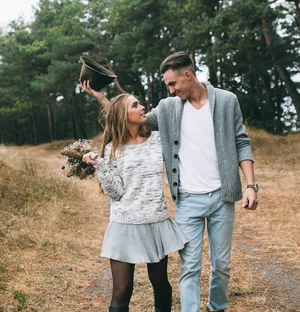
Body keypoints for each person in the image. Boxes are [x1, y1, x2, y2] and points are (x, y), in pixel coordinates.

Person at [82, 51, 258, 312]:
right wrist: (101, 99)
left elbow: (241, 142)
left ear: (187, 75)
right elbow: (127, 119)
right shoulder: (168, 108)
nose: (171, 90)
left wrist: (251, 185)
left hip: (222, 196)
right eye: (168, 86)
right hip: (187, 199)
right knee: (190, 266)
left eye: (173, 84)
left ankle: (216, 306)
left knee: (221, 265)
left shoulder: (226, 101)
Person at [82, 93, 187, 312]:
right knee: (121, 290)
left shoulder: (158, 139)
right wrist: (100, 165)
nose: (142, 107)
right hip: (124, 225)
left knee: (160, 284)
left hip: (154, 221)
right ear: (123, 115)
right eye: (135, 105)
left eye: (140, 103)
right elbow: (115, 192)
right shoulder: (112, 150)